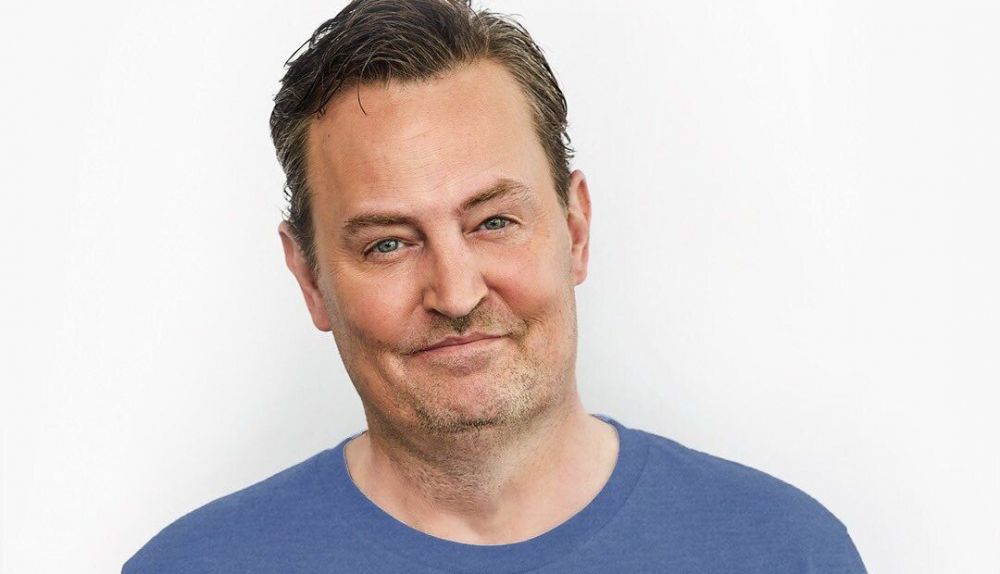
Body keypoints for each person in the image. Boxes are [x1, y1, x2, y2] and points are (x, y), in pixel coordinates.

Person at [124, 0, 866, 572]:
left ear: (575, 230)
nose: (456, 293)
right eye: (388, 243)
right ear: (310, 278)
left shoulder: (785, 553)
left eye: (494, 222)